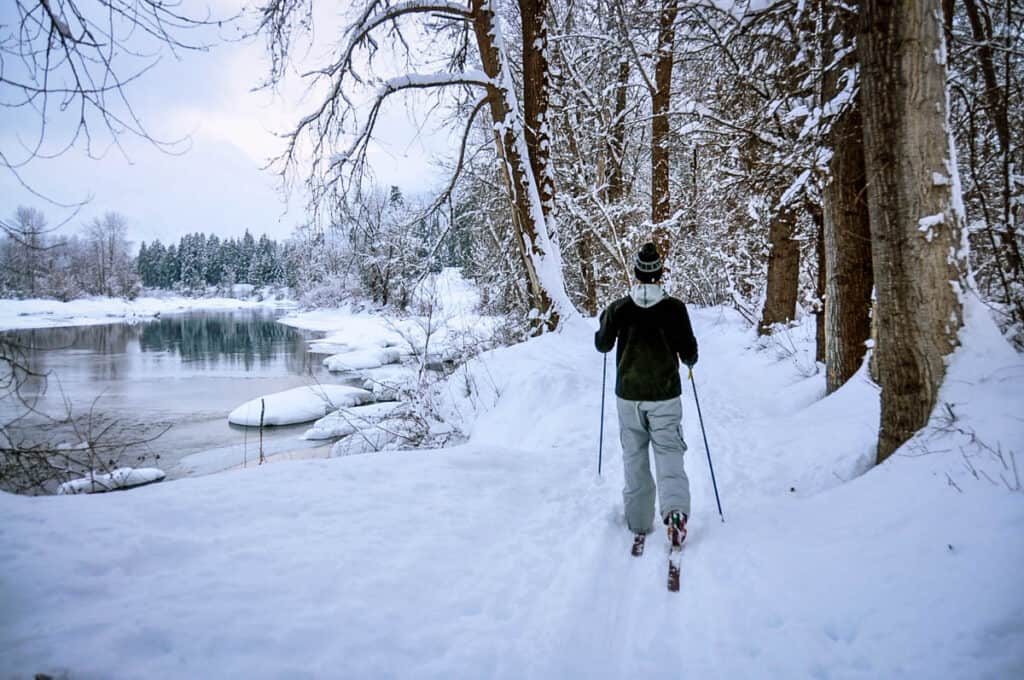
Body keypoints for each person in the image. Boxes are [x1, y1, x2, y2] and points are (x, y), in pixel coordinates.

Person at [594, 242, 699, 546]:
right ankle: (676, 513)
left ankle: (639, 520)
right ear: (660, 273)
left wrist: (604, 323)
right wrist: (689, 359)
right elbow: (689, 352)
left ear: (636, 272)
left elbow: (602, 345)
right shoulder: (675, 309)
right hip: (665, 396)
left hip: (628, 397)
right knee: (669, 453)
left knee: (634, 456)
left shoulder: (618, 308)